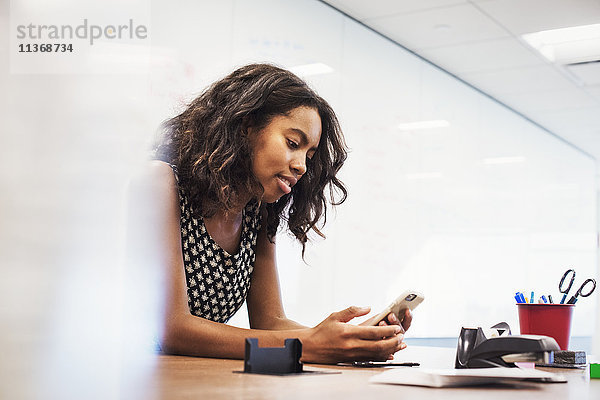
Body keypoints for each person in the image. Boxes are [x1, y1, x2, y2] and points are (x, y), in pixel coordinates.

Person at [138, 63, 411, 364]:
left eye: (308, 155)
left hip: (187, 381)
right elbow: (171, 327)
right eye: (293, 143)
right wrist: (309, 345)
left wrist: (351, 339)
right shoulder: (161, 182)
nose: (302, 166)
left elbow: (271, 323)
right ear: (246, 126)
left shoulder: (258, 212)